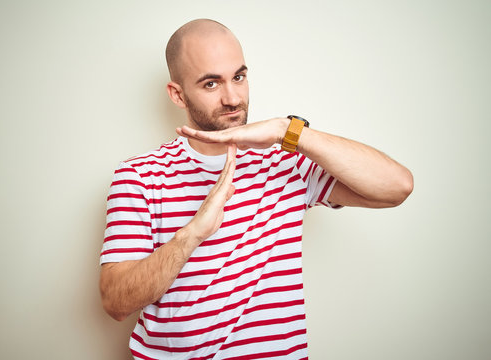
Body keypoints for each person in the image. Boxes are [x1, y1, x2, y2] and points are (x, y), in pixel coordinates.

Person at [99, 18, 413, 359]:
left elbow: (397, 187)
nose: (233, 98)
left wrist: (286, 131)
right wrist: (191, 234)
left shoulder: (285, 161)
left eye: (239, 77)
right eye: (210, 84)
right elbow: (116, 303)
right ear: (178, 94)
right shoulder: (141, 175)